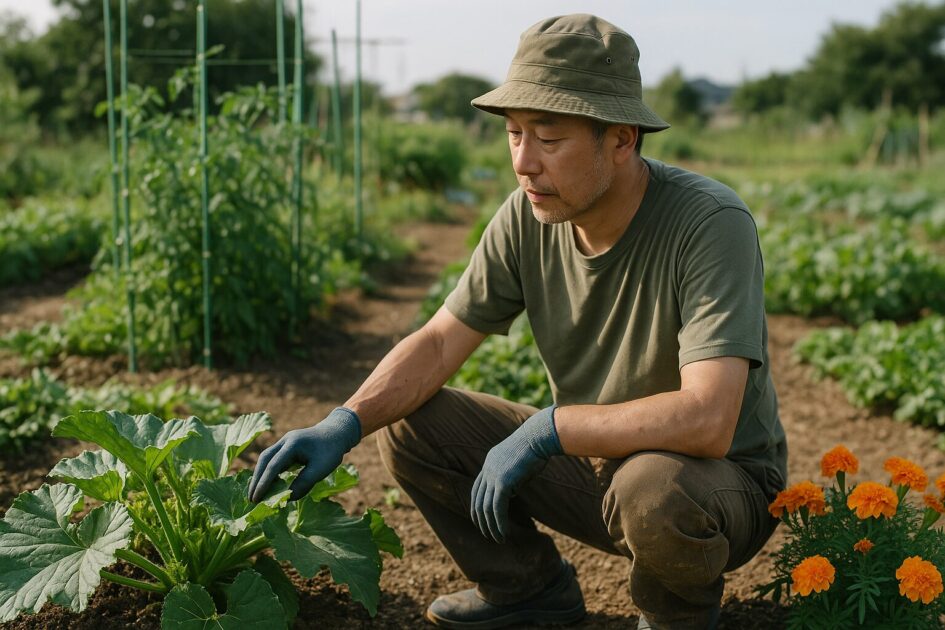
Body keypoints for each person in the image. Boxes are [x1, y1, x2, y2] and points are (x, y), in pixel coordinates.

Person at [248, 13, 787, 630]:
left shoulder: (707, 221)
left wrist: (548, 430)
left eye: (549, 140)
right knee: (412, 422)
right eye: (513, 135)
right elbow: (439, 340)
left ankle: (675, 619)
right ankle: (526, 589)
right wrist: (344, 423)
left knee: (653, 488)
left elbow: (709, 419)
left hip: (715, 488)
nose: (524, 163)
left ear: (621, 137)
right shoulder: (526, 218)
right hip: (599, 466)